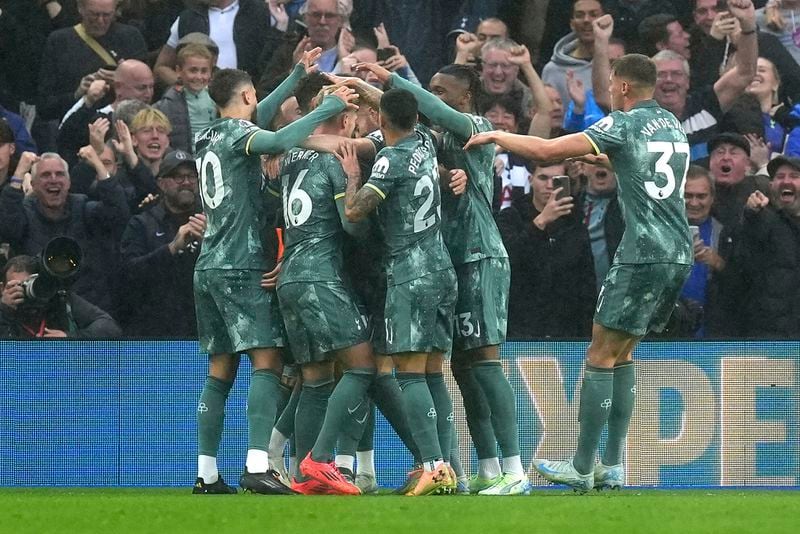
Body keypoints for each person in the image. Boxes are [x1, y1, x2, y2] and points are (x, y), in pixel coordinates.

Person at [465, 53, 693, 492]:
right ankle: (613, 464)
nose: (609, 90)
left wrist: (497, 135)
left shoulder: (622, 123)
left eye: (611, 82)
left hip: (642, 251)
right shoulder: (671, 124)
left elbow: (549, 150)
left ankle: (582, 466)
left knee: (600, 355)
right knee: (624, 354)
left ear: (623, 87)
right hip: (678, 250)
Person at [355, 61, 529, 495]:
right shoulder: (428, 143)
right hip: (447, 263)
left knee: (486, 366)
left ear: (465, 95)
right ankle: (488, 469)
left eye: (441, 90)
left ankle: (516, 469)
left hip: (480, 255)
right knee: (465, 371)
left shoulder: (475, 126)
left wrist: (392, 78)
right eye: (431, 89)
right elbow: (402, 114)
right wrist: (363, 88)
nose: (434, 96)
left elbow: (420, 106)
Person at [190, 61, 355, 494]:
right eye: (255, 96)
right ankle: (259, 464)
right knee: (267, 362)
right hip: (241, 262)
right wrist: (328, 107)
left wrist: (294, 75)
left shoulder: (205, 136)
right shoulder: (243, 135)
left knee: (219, 370)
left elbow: (258, 118)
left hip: (207, 265)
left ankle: (206, 474)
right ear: (246, 97)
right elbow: (279, 137)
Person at [339, 88, 457, 496]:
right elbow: (396, 105)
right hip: (442, 268)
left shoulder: (389, 158)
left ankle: (433, 466)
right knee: (432, 374)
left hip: (410, 273)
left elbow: (355, 211)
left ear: (381, 119)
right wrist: (373, 87)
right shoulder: (424, 140)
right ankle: (449, 466)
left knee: (409, 374)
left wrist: (354, 177)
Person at [275, 96, 374, 496]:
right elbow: (352, 228)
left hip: (290, 277)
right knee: (362, 367)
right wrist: (354, 180)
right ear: (347, 118)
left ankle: (304, 476)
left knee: (315, 379)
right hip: (320, 276)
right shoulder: (334, 162)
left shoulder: (289, 159)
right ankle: (319, 457)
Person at [0, 152, 129, 317]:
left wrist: (98, 165)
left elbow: (119, 215)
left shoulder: (83, 207)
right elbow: (8, 228)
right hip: (38, 311)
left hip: (89, 311)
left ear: (68, 183)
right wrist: (18, 174)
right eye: (46, 175)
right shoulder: (24, 213)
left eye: (59, 174)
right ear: (34, 184)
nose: (54, 179)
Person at [497, 160, 596, 338]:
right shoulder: (511, 217)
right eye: (543, 178)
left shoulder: (575, 222)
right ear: (531, 179)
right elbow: (508, 259)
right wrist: (540, 222)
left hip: (566, 329)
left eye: (556, 179)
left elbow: (586, 282)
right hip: (521, 326)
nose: (549, 185)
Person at [119, 150, 204, 338]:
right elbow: (127, 276)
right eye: (178, 177)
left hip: (203, 331)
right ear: (161, 183)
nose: (187, 182)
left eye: (191, 176)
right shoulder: (141, 223)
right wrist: (171, 249)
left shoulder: (213, 222)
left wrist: (210, 243)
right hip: (155, 333)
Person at [724, 155, 800, 336]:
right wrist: (751, 215)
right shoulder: (762, 220)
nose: (786, 181)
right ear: (771, 185)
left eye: (794, 176)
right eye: (780, 177)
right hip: (770, 338)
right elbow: (741, 264)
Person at [37, 0, 147, 123]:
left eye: (107, 15)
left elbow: (147, 92)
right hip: (76, 127)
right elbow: (44, 106)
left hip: (124, 122)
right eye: (94, 15)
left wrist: (123, 80)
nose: (100, 21)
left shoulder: (130, 37)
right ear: (80, 8)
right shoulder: (59, 41)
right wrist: (77, 94)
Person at [0, 254, 121, 339]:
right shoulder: (3, 311)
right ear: (2, 288)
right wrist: (4, 311)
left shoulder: (58, 298)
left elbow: (110, 328)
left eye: (30, 284)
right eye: (18, 286)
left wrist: (70, 337)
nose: (26, 291)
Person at [154, 44, 218, 154]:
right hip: (183, 162)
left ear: (211, 73)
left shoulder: (218, 99)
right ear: (179, 71)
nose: (198, 77)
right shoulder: (168, 103)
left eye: (204, 71)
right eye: (193, 70)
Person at [575, 162, 624, 290]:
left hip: (620, 295)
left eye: (606, 158)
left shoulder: (631, 207)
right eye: (593, 161)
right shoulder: (571, 208)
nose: (600, 165)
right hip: (581, 298)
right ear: (583, 168)